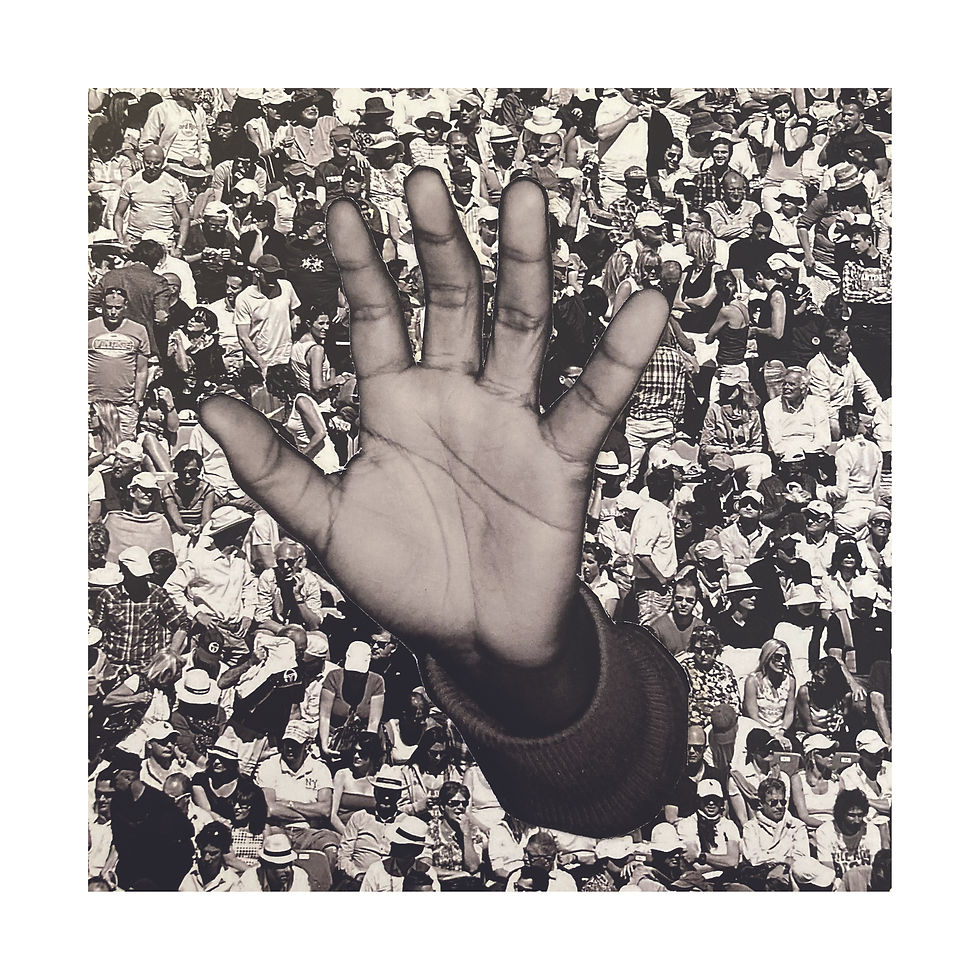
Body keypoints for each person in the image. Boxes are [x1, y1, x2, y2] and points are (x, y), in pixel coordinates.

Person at [108, 754, 195, 890]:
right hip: (131, 871)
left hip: (161, 875)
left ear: (128, 778)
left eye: (115, 779)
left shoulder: (160, 803)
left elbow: (186, 833)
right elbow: (120, 841)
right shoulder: (117, 804)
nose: (111, 784)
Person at [88, 288, 150, 443]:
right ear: (102, 306)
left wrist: (136, 403)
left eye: (118, 308)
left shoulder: (138, 330)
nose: (113, 312)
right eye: (109, 307)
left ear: (126, 306)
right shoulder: (88, 327)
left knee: (124, 451)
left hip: (124, 405)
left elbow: (142, 370)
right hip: (91, 403)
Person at [318, 640, 385, 757]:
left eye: (359, 673)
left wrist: (365, 748)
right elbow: (324, 716)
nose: (355, 676)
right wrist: (324, 745)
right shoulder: (333, 677)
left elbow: (373, 721)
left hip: (361, 740)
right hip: (333, 737)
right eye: (351, 672)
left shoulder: (377, 682)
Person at [814, 787, 882, 890]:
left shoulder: (871, 830)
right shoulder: (825, 831)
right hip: (838, 885)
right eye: (851, 815)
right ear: (841, 814)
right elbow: (828, 869)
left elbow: (874, 866)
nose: (857, 820)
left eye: (860, 815)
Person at [676, 779, 740, 883]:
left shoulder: (729, 825)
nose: (711, 803)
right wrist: (723, 863)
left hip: (727, 880)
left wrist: (701, 856)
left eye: (715, 799)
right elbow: (695, 866)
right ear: (698, 800)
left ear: (721, 802)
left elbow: (732, 861)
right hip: (698, 882)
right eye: (706, 799)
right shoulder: (687, 824)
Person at [739, 775, 809, 869]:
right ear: (761, 804)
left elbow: (802, 857)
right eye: (774, 802)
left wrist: (780, 866)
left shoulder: (797, 826)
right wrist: (783, 859)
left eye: (783, 802)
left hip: (791, 872)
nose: (779, 806)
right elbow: (754, 857)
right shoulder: (751, 827)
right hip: (762, 873)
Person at [360, 814, 441, 891]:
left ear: (417, 850)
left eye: (409, 848)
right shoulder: (376, 870)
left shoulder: (428, 872)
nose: (405, 852)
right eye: (400, 846)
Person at [742, 639, 797, 740]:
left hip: (782, 731)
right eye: (778, 657)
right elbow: (753, 716)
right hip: (759, 730)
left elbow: (789, 713)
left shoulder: (790, 680)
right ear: (767, 657)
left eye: (785, 657)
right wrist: (773, 734)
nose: (783, 661)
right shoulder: (752, 681)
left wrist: (781, 732)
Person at [789, 733, 841, 834]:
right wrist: (825, 827)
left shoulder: (837, 781)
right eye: (825, 752)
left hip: (834, 831)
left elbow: (841, 813)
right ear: (812, 755)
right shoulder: (798, 780)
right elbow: (803, 816)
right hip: (808, 831)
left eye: (832, 752)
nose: (831, 755)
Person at [504, 831, 578, 892]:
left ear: (547, 861)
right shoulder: (516, 876)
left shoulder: (564, 882)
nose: (524, 858)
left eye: (531, 856)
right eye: (525, 852)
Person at [178, 822, 243, 892]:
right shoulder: (186, 872)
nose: (206, 858)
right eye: (204, 852)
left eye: (213, 853)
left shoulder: (232, 882)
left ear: (223, 852)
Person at [239, 833, 311, 892]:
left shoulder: (300, 876)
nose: (288, 870)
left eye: (290, 864)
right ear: (266, 865)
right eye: (281, 866)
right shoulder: (250, 878)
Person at [650, 578, 704, 658]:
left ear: (696, 601)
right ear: (672, 598)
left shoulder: (701, 627)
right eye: (679, 599)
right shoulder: (657, 628)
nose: (683, 604)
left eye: (689, 600)